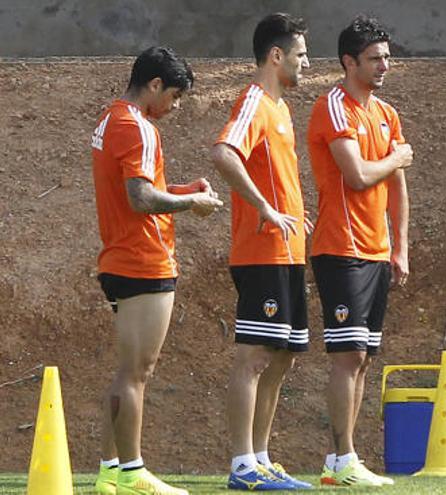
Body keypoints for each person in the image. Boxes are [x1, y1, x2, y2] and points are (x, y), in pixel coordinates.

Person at [91, 46, 223, 495]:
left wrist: (184, 190)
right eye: (175, 96)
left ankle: (112, 469)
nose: (175, 107)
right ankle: (132, 472)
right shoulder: (137, 126)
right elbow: (140, 198)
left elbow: (135, 192)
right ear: (154, 86)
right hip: (143, 260)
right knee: (137, 373)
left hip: (121, 256)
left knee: (126, 370)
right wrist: (192, 203)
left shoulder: (112, 118)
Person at [306, 15, 413, 488]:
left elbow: (397, 188)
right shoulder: (334, 107)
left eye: (387, 57)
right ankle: (340, 457)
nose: (384, 65)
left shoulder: (386, 113)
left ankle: (345, 458)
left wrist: (401, 246)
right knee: (348, 355)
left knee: (365, 355)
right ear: (349, 61)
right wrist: (395, 158)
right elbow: (358, 175)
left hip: (376, 248)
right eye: (375, 58)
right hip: (340, 246)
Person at [210, 12, 313, 492]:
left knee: (282, 358)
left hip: (288, 252)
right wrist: (267, 210)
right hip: (261, 252)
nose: (307, 64)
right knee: (254, 356)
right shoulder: (253, 100)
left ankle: (262, 458)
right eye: (301, 54)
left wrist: (291, 213)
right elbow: (224, 154)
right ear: (276, 56)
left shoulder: (281, 108)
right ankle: (241, 465)